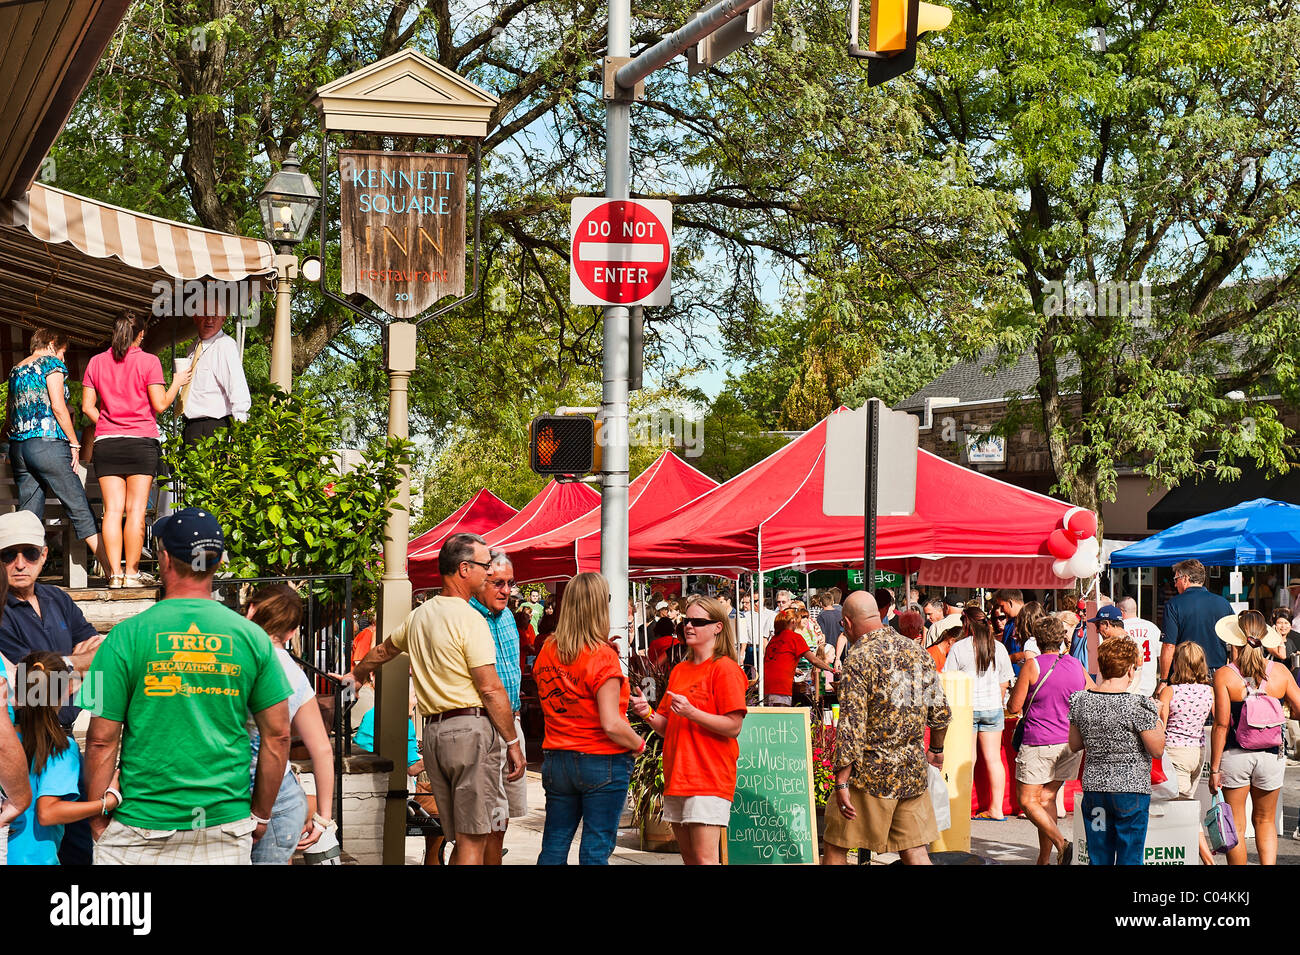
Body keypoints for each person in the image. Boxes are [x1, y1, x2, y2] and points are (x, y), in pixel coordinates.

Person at [81, 507, 291, 863]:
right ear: (218, 561)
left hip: (141, 826)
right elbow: (279, 735)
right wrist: (261, 814)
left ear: (163, 558)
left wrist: (98, 813)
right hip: (224, 825)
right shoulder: (253, 639)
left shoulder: (125, 637)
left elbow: (101, 739)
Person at [345, 532, 523, 866]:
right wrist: (512, 742)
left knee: (460, 836)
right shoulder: (470, 619)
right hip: (470, 731)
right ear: (464, 568)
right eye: (485, 566)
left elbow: (382, 650)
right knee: (474, 838)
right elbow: (490, 688)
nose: (489, 573)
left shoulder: (420, 615)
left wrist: (356, 675)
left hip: (436, 734)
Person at [0, 510, 104, 864]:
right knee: (33, 847)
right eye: (7, 554)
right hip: (24, 742)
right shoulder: (0, 610)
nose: (19, 563)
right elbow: (32, 688)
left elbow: (100, 650)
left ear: (44, 555)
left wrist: (58, 669)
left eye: (28, 552)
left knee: (79, 846)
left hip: (62, 738)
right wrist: (78, 666)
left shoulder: (57, 598)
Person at [824, 591, 949, 865]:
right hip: (911, 771)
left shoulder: (859, 657)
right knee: (915, 850)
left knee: (835, 847)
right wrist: (936, 750)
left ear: (846, 622)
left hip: (869, 775)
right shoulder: (917, 652)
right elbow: (940, 713)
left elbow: (852, 725)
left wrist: (841, 780)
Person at [534, 572, 645, 865]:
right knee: (595, 849)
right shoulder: (601, 656)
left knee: (554, 844)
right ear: (599, 606)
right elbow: (611, 723)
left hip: (558, 758)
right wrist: (640, 743)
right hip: (601, 759)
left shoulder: (548, 648)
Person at [631, 595, 747, 865]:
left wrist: (693, 713)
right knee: (691, 861)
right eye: (685, 620)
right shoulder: (681, 669)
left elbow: (733, 726)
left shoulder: (725, 669)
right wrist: (646, 712)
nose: (688, 626)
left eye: (697, 621)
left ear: (718, 627)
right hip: (679, 776)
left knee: (706, 861)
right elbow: (666, 728)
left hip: (708, 777)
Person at [81, 311, 190, 588]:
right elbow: (160, 404)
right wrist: (178, 381)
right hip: (141, 443)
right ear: (140, 334)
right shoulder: (149, 362)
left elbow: (86, 407)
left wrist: (107, 422)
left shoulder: (96, 362)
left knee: (112, 511)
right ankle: (131, 573)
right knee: (136, 512)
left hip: (106, 443)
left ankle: (113, 575)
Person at [6, 327, 110, 574]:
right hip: (47, 444)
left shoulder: (16, 369)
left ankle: (19, 578)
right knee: (79, 508)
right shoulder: (51, 363)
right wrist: (74, 443)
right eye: (63, 352)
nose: (63, 359)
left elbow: (9, 417)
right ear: (52, 344)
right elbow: (58, 407)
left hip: (19, 448)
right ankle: (112, 570)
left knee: (29, 518)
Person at [244, 584, 335, 864]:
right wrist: (323, 817)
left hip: (233, 795)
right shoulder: (295, 675)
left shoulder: (229, 661)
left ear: (250, 610)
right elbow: (321, 749)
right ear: (293, 632)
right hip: (281, 800)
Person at [6, 651, 121, 864]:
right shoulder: (60, 747)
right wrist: (106, 803)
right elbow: (48, 812)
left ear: (18, 688)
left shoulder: (7, 742)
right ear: (68, 689)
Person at [1208, 610, 1300, 866]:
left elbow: (1221, 724)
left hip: (1234, 756)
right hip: (1271, 755)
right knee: (1266, 820)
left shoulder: (1225, 675)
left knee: (1236, 824)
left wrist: (1214, 769)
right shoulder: (1280, 672)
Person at [1068, 636, 1165, 866]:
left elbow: (1074, 744)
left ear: (1102, 666)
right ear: (1131, 670)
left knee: (1098, 857)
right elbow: (1157, 749)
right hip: (1130, 789)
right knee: (1130, 858)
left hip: (1095, 789)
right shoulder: (1138, 704)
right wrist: (1158, 716)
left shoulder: (1080, 700)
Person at [1006, 616, 1088, 864]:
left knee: (1027, 801)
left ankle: (1062, 843)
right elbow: (1091, 692)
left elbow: (1015, 705)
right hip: (1069, 743)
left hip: (1039, 740)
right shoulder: (1075, 664)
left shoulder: (1033, 665)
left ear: (1037, 640)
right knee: (1047, 798)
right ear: (1062, 638)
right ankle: (1045, 858)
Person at [469, 549, 527, 864]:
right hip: (485, 725)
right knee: (489, 814)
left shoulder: (506, 616)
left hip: (511, 721)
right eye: (498, 583)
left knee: (502, 817)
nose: (506, 590)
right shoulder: (469, 616)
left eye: (510, 583)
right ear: (481, 581)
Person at [944, 606, 1014, 820]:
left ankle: (963, 807)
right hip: (993, 707)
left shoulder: (959, 648)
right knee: (994, 759)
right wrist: (995, 699)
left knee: (968, 759)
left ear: (966, 623)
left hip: (966, 709)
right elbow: (1005, 682)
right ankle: (997, 808)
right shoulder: (999, 647)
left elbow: (949, 680)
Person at [1157, 641, 1215, 865]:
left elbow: (1160, 728)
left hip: (1174, 752)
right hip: (1198, 751)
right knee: (1187, 802)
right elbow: (1220, 719)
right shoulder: (1209, 691)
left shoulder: (1170, 691)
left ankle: (1207, 860)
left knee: (1182, 809)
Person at [178, 309, 251, 444]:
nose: (210, 320)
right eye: (205, 314)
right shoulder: (192, 348)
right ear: (195, 317)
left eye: (215, 315)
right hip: (190, 427)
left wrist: (239, 429)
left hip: (213, 428)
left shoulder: (225, 345)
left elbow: (237, 386)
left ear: (223, 318)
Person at [1158, 558, 1233, 684]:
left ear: (1185, 578)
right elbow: (1235, 642)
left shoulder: (1174, 604)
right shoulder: (1223, 603)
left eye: (1176, 580)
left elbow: (1169, 645)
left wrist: (1163, 680)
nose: (1175, 584)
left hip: (1185, 673)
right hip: (1217, 673)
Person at [762, 608, 837, 705]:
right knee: (780, 717)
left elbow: (775, 661)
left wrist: (793, 669)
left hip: (766, 686)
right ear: (793, 621)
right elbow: (814, 660)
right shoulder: (795, 638)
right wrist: (831, 670)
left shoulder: (773, 639)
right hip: (782, 687)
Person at [1090, 605, 1154, 699]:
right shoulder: (1133, 643)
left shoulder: (1114, 647)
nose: (1097, 630)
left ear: (1107, 624)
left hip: (1114, 701)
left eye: (1098, 625)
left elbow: (1114, 681)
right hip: (1129, 699)